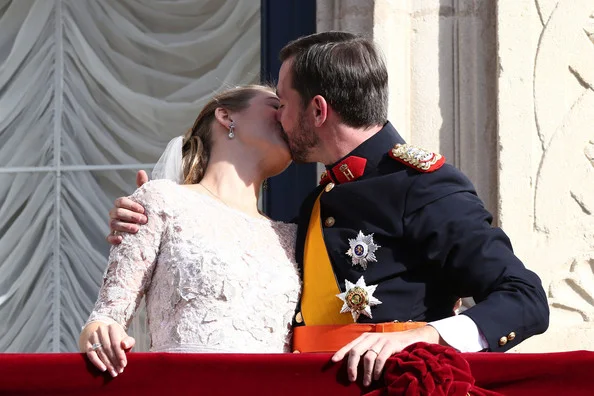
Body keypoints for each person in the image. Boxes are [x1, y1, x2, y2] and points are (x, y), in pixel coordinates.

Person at [108, 32, 549, 387]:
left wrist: (429, 336)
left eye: (283, 103)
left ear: (317, 110)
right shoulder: (319, 199)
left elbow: (525, 298)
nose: (279, 117)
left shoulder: (423, 186)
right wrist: (159, 220)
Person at [79, 85, 301, 378]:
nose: (285, 115)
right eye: (275, 105)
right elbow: (105, 317)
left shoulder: (292, 236)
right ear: (225, 116)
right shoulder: (163, 201)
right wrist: (103, 336)